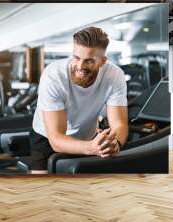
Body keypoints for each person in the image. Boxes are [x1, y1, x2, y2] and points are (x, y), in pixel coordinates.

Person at [20, 26, 129, 174]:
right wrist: (91, 148)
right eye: (76, 57)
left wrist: (115, 143)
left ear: (103, 61)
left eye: (89, 61)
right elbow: (56, 139)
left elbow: (119, 124)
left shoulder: (115, 75)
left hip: (88, 136)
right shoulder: (54, 76)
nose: (80, 66)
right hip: (47, 138)